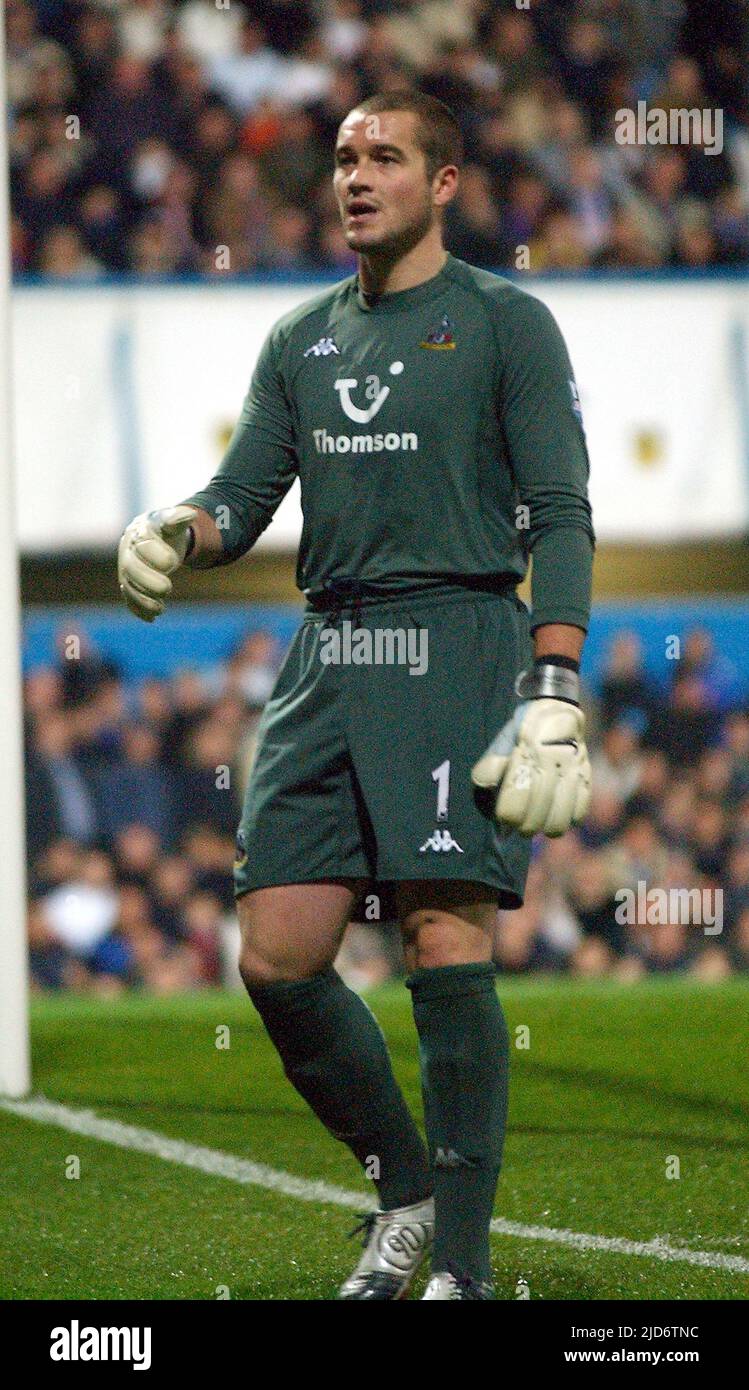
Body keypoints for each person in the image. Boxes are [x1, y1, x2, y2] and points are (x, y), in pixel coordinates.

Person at [118, 90, 594, 1301]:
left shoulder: (504, 323)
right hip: (329, 650)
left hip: (455, 640)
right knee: (276, 955)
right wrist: (180, 525)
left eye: (384, 156)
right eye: (341, 157)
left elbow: (561, 512)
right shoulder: (298, 339)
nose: (355, 175)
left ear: (443, 183)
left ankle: (467, 1274)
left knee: (440, 936)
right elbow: (241, 498)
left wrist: (555, 681)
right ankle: (405, 1195)